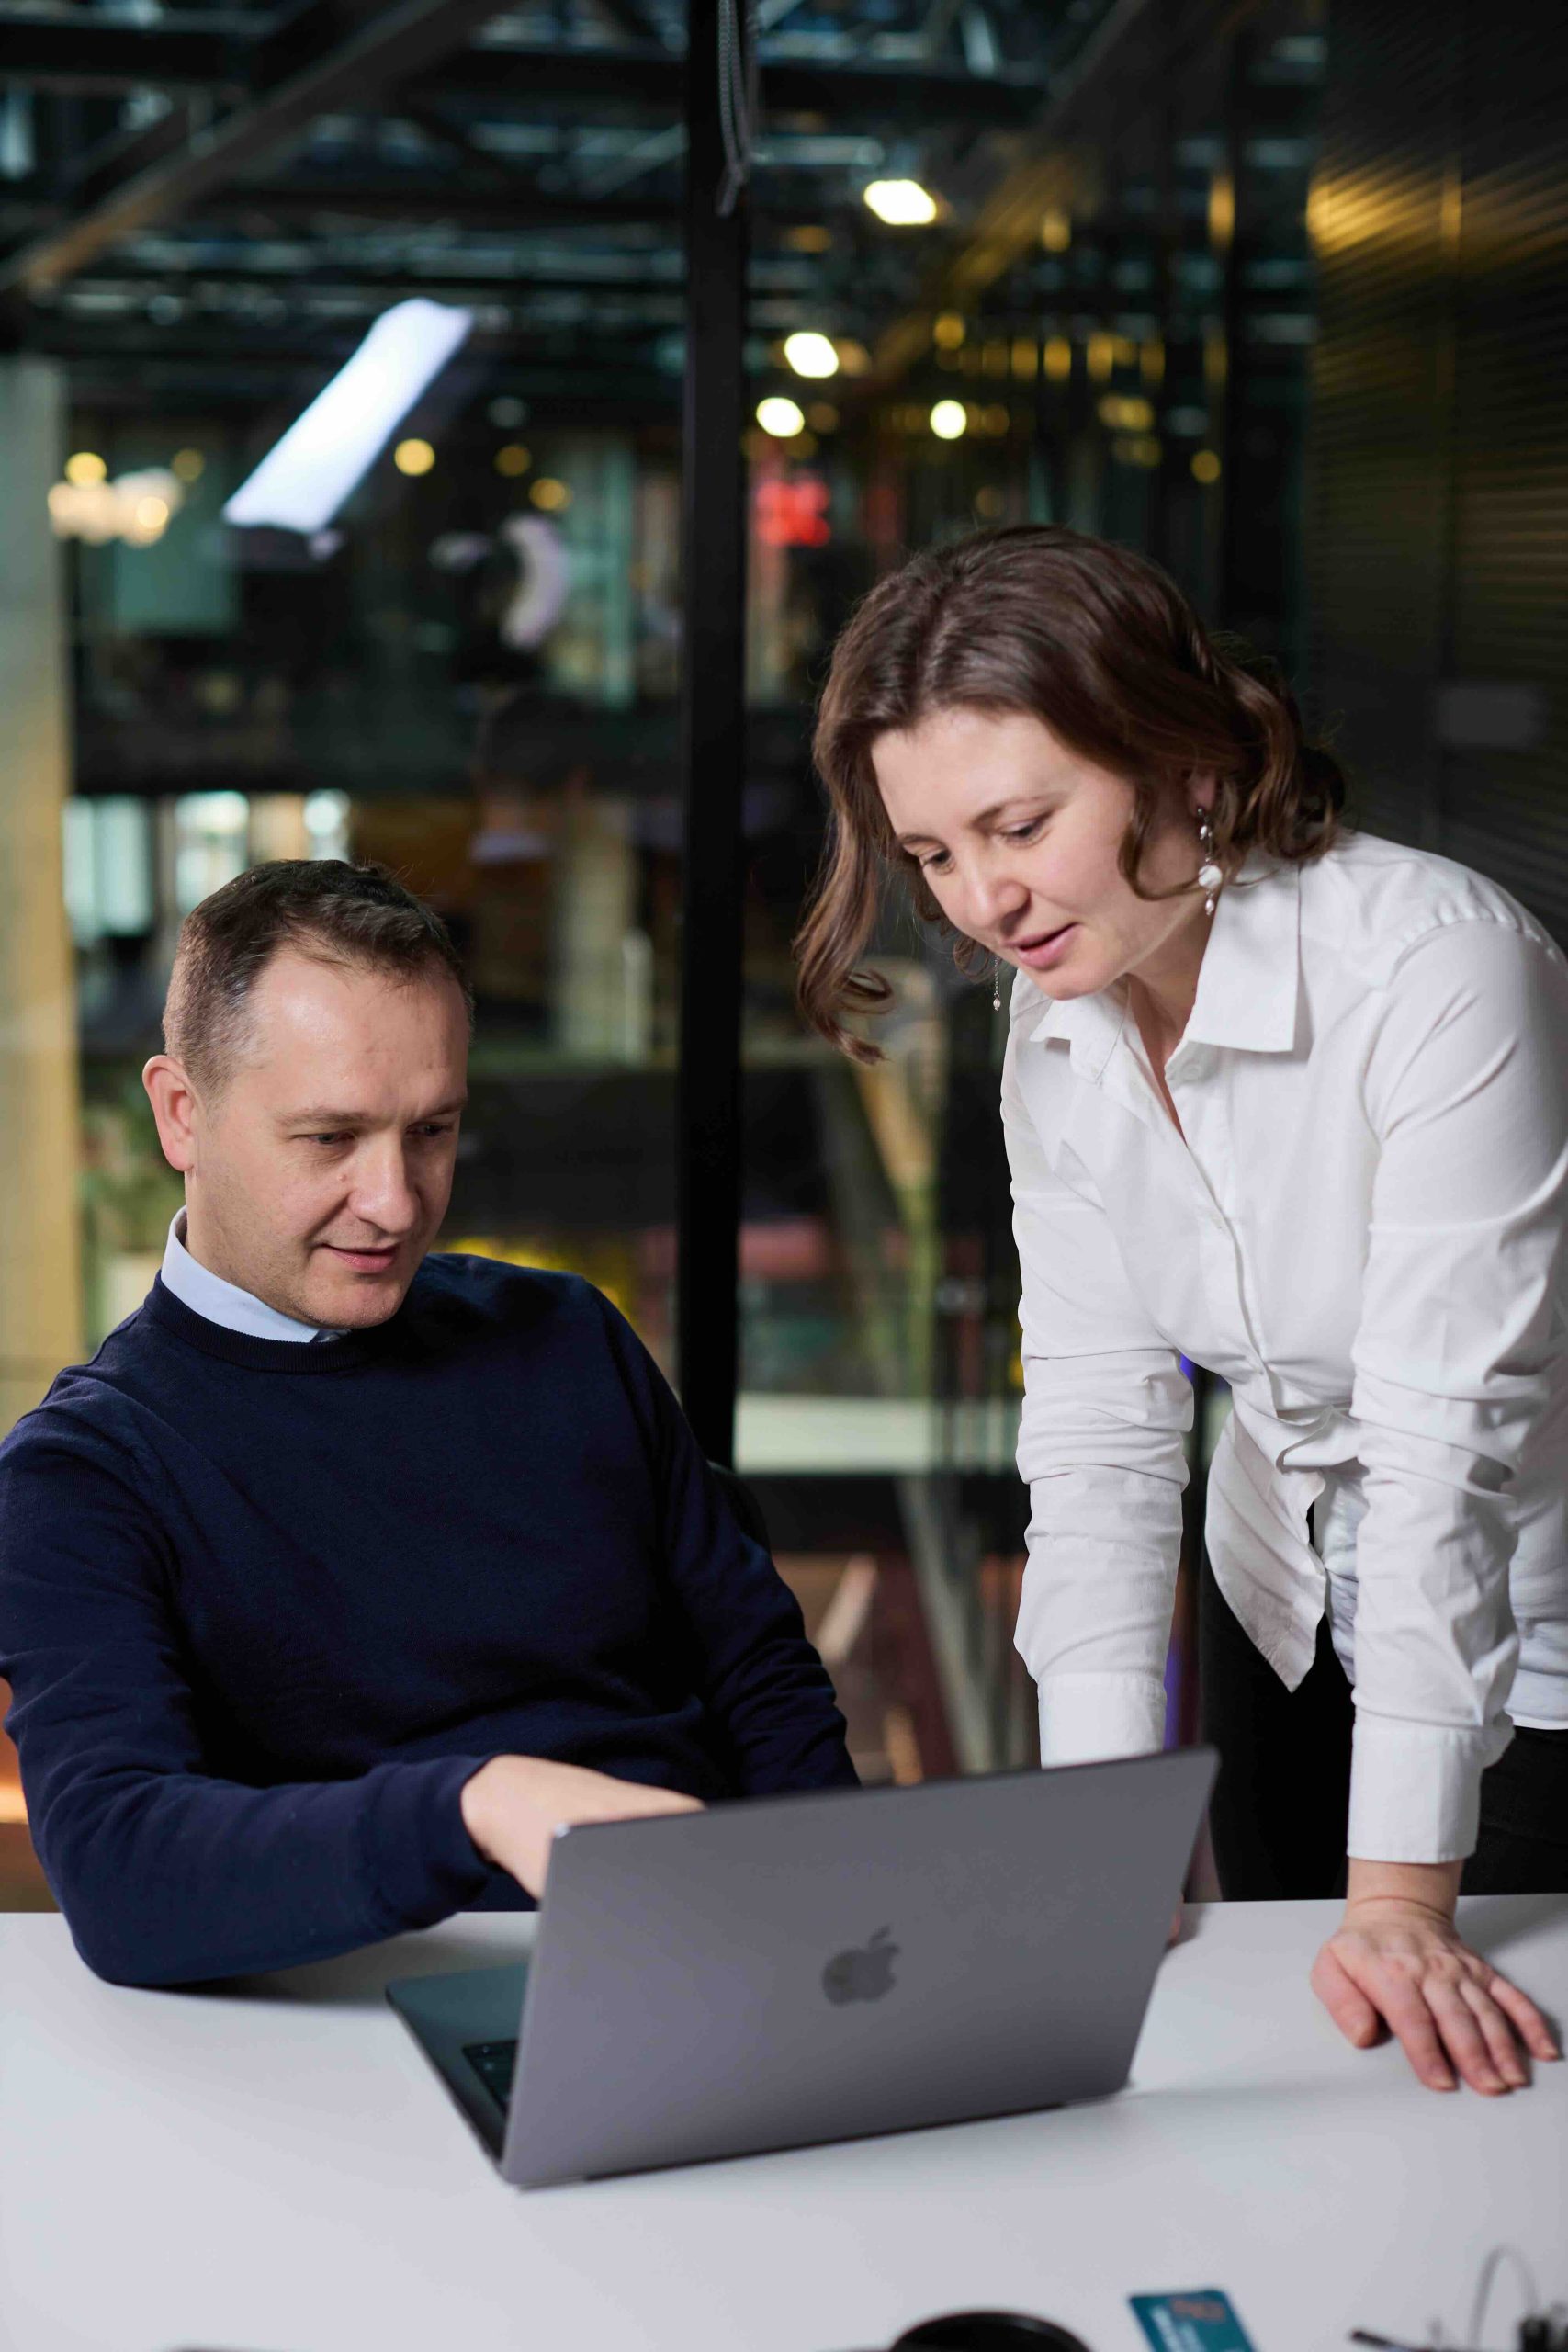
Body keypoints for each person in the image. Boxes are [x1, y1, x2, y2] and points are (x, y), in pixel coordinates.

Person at [795, 525, 1566, 2098]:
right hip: (1280, 1595)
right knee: (1270, 2048)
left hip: (1528, 1637)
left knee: (1459, 2098)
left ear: (1185, 766)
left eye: (1020, 825)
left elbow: (1439, 1456)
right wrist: (1097, 1843)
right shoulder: (1056, 1014)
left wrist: (1402, 1900)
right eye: (931, 855)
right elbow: (1097, 1424)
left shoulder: (1439, 973)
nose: (983, 900)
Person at [0, 861, 855, 1988]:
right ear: (181, 1114)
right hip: (381, 2022)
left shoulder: (566, 1335)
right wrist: (475, 1806)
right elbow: (124, 1870)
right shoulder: (81, 1475)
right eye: (329, 1138)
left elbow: (763, 1680)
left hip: (719, 1964)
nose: (395, 1201)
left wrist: (845, 1940)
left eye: (432, 1130)